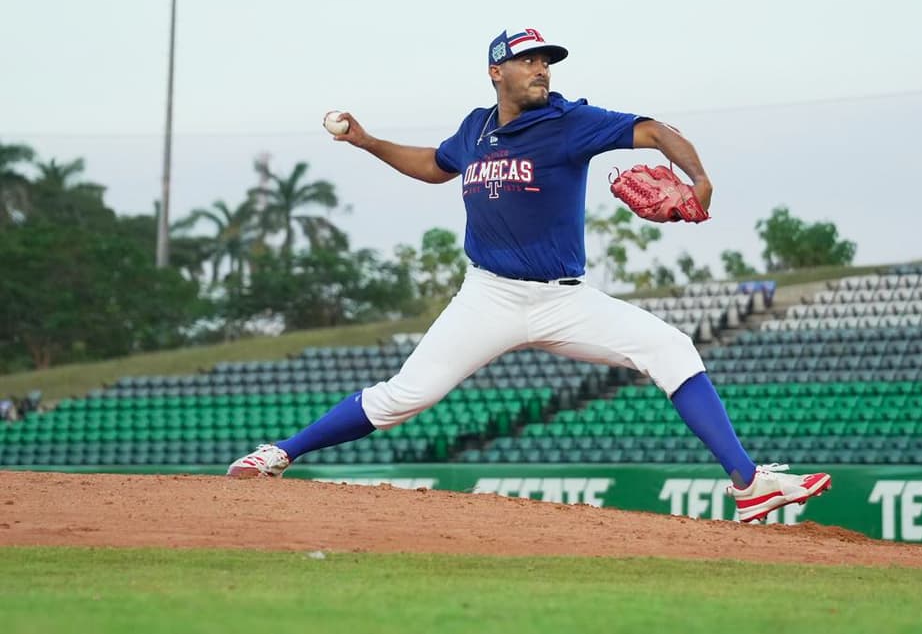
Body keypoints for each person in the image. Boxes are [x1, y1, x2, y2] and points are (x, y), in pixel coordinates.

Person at [227, 27, 831, 522]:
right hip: (487, 296)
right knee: (406, 396)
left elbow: (653, 130)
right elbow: (435, 165)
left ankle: (749, 484)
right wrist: (366, 141)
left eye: (547, 61)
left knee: (671, 348)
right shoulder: (476, 129)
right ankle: (279, 453)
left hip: (564, 300)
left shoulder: (569, 121)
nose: (542, 69)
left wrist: (698, 178)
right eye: (529, 60)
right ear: (497, 71)